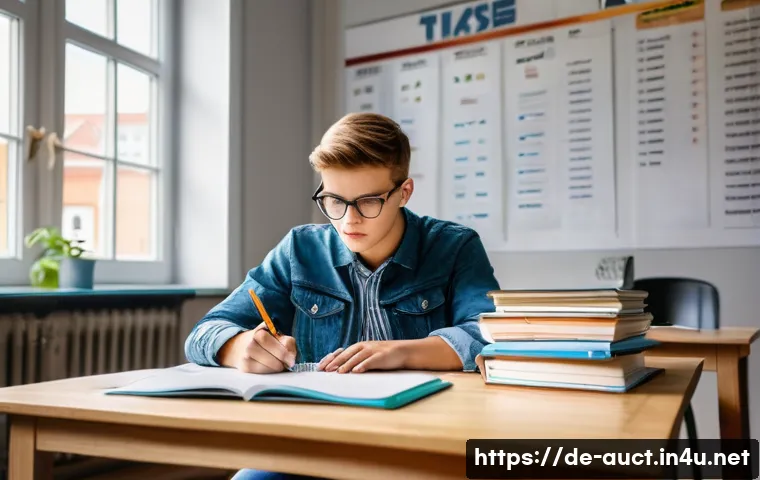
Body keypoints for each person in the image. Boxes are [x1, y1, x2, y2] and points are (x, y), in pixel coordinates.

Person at [184, 112, 500, 480]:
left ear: (404, 192)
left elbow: (490, 336)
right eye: (334, 200)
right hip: (314, 440)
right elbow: (205, 332)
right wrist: (240, 348)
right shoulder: (300, 250)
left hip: (422, 439)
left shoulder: (454, 246)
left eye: (368, 201)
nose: (348, 220)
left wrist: (402, 352)